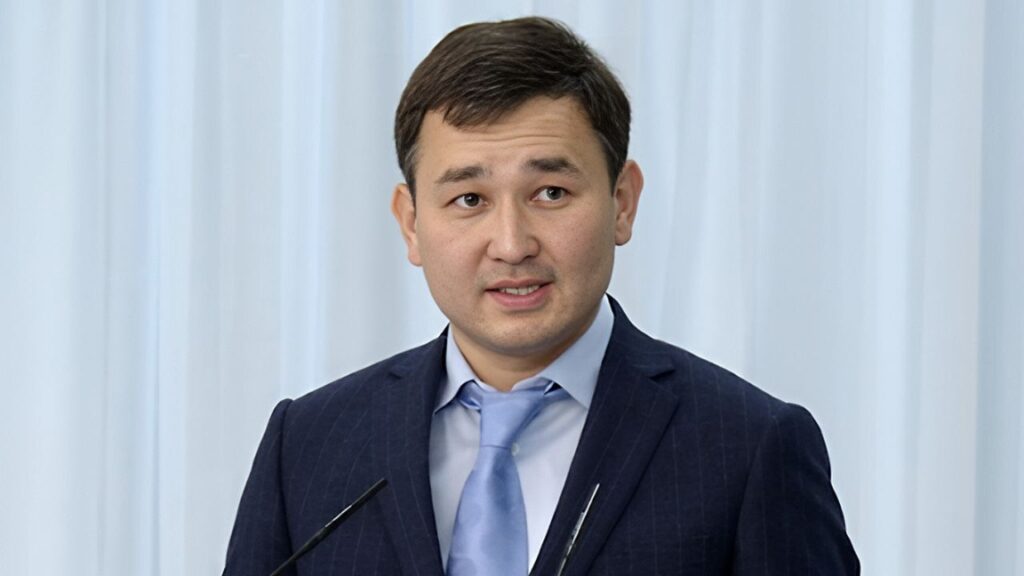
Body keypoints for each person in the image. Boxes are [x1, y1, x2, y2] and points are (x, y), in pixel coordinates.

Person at [224, 16, 859, 576]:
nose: (511, 244)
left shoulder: (749, 447)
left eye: (550, 193)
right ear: (411, 223)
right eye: (468, 199)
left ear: (622, 202)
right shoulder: (307, 445)